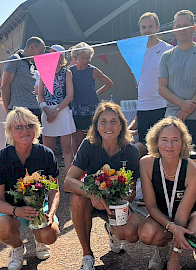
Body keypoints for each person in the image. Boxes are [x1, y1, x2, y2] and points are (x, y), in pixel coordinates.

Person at [64, 101, 140, 270]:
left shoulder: (132, 151)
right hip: (91, 201)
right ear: (96, 126)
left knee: (132, 235)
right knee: (77, 199)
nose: (108, 126)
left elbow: (132, 190)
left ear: (121, 125)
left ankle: (113, 230)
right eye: (103, 121)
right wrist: (92, 194)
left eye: (114, 121)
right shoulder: (88, 145)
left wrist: (119, 204)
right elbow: (68, 182)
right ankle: (87, 254)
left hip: (116, 203)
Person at [138, 116, 196, 270]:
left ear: (183, 143)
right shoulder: (146, 163)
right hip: (165, 211)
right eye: (164, 139)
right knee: (147, 233)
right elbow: (151, 206)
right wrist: (172, 228)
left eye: (175, 140)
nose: (170, 145)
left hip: (194, 212)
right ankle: (162, 247)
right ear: (156, 142)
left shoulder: (193, 170)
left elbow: (181, 215)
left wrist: (175, 258)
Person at [0, 107, 59, 270]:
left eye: (29, 125)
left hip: (40, 209)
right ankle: (17, 248)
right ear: (10, 132)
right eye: (18, 127)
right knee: (1, 228)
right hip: (13, 211)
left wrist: (51, 212)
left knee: (51, 234)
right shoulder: (0, 159)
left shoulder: (47, 154)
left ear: (36, 128)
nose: (25, 131)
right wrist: (16, 211)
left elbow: (54, 190)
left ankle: (40, 241)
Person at [158, 9, 196, 189]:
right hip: (173, 119)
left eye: (186, 26)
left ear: (193, 28)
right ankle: (173, 202)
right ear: (173, 29)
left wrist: (188, 107)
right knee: (172, 163)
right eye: (178, 26)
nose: (182, 29)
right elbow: (161, 87)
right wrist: (182, 105)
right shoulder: (166, 56)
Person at [131, 12, 173, 157]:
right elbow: (138, 77)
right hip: (143, 107)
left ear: (158, 28)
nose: (147, 30)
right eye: (144, 27)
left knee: (164, 147)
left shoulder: (167, 49)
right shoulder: (136, 52)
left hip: (163, 106)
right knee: (145, 147)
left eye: (150, 26)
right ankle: (146, 178)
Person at [37, 44, 75, 169]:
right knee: (48, 149)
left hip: (63, 112)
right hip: (47, 112)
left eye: (54, 53)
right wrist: (46, 109)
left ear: (60, 56)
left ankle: (70, 180)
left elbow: (69, 96)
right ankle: (50, 181)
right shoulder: (44, 72)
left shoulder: (67, 73)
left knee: (67, 148)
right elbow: (40, 94)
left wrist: (57, 110)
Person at [70, 42, 113, 151]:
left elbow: (109, 83)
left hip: (91, 108)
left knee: (93, 136)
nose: (86, 61)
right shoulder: (70, 71)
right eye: (83, 58)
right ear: (76, 57)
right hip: (76, 108)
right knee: (77, 137)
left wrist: (96, 93)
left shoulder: (93, 70)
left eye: (88, 58)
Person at [1, 36, 46, 119]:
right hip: (19, 109)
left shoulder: (31, 65)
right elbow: (4, 86)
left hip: (34, 109)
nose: (41, 55)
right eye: (40, 52)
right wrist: (8, 109)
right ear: (32, 47)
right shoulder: (14, 59)